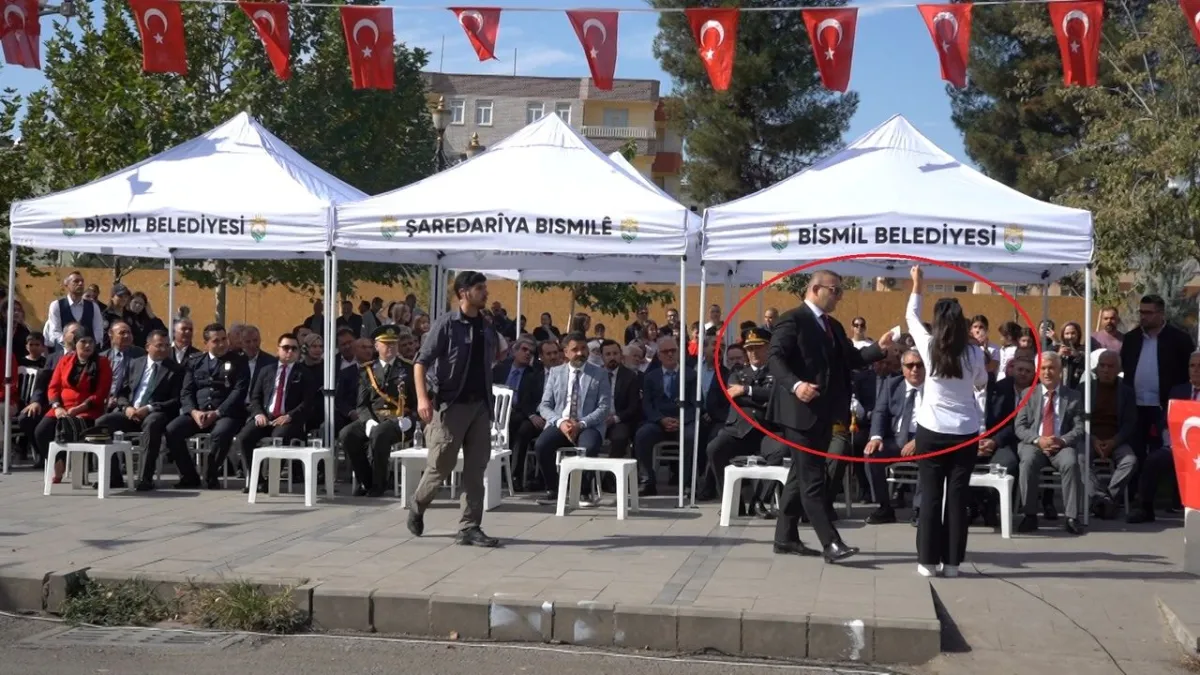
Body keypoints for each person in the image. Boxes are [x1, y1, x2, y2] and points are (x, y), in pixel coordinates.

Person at [767, 270, 890, 562]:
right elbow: (775, 357)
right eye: (835, 291)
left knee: (799, 477)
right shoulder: (793, 319)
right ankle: (831, 543)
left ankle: (785, 537)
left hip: (824, 413)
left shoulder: (832, 326)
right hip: (799, 413)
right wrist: (796, 385)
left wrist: (878, 349)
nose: (839, 297)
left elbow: (851, 359)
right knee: (812, 480)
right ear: (816, 288)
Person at [904, 266, 988, 577]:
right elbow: (981, 383)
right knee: (957, 498)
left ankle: (927, 562)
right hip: (965, 432)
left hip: (931, 431)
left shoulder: (928, 346)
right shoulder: (974, 353)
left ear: (938, 323)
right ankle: (952, 564)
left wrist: (918, 284)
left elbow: (911, 317)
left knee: (930, 496)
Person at [409, 271, 501, 547]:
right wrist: (423, 399)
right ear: (463, 293)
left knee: (476, 469)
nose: (485, 293)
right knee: (441, 465)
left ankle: (470, 527)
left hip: (480, 406)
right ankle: (418, 503)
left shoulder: (486, 325)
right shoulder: (447, 324)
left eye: (485, 287)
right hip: (451, 406)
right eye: (479, 288)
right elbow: (420, 362)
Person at [94, 329, 184, 491]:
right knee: (102, 423)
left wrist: (148, 408)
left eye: (166, 345)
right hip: (131, 412)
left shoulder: (175, 370)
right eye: (159, 346)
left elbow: (175, 401)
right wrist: (126, 407)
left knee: (152, 424)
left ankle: (145, 478)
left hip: (156, 413)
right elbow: (122, 392)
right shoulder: (135, 364)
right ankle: (113, 476)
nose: (163, 349)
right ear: (148, 346)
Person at [164, 323, 250, 490]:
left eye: (224, 339)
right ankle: (189, 475)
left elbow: (238, 391)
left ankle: (211, 474)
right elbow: (186, 392)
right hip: (199, 413)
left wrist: (217, 413)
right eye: (216, 341)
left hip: (226, 414)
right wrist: (194, 412)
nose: (221, 344)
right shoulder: (195, 361)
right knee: (172, 430)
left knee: (221, 433)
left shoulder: (239, 361)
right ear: (206, 343)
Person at [532, 332, 612, 506]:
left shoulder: (599, 374)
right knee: (541, 445)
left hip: (588, 424)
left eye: (583, 349)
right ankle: (553, 490)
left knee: (589, 446)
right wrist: (560, 422)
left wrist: (581, 423)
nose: (580, 353)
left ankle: (583, 492)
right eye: (575, 349)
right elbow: (544, 405)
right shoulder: (556, 372)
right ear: (565, 352)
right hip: (562, 422)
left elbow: (604, 407)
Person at [237, 333, 321, 494]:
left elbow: (308, 402)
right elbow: (255, 397)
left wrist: (290, 416)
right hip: (266, 417)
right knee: (244, 437)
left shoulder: (304, 374)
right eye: (285, 348)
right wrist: (258, 414)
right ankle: (256, 479)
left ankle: (271, 480)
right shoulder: (266, 370)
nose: (289, 352)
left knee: (279, 438)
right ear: (278, 349)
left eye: (293, 349)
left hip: (289, 420)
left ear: (298, 352)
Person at [338, 325, 416, 497]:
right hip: (374, 417)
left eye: (394, 344)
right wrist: (368, 421)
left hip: (401, 419)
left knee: (381, 433)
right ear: (376, 346)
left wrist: (411, 418)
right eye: (386, 344)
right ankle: (368, 480)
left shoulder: (409, 369)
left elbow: (417, 401)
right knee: (347, 434)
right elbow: (362, 404)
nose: (390, 347)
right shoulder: (367, 371)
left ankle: (378, 486)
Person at [702, 328, 776, 501]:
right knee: (714, 448)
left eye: (758, 347)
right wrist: (760, 396)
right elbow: (735, 399)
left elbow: (776, 395)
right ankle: (731, 499)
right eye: (750, 349)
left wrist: (746, 390)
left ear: (768, 348)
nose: (754, 352)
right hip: (739, 430)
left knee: (780, 453)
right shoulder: (737, 373)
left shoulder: (777, 373)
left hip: (767, 429)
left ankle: (761, 501)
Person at [1015, 351, 1085, 535]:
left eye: (1051, 368)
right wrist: (1039, 440)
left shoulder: (1074, 396)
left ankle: (1071, 517)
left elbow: (1079, 428)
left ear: (1060, 371)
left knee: (1071, 462)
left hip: (1061, 445)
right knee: (1027, 462)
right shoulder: (1027, 394)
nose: (1047, 372)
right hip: (1034, 444)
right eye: (1043, 369)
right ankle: (1030, 515)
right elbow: (1020, 427)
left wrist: (1061, 440)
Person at [36, 332, 112, 484]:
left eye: (91, 342)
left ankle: (77, 471)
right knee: (41, 431)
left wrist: (79, 408)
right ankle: (58, 463)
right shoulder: (65, 360)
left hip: (88, 410)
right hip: (62, 408)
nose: (88, 345)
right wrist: (57, 407)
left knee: (72, 429)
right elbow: (53, 386)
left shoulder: (102, 362)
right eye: (83, 341)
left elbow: (102, 392)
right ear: (75, 344)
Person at [863, 348, 926, 526]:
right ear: (902, 367)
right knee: (871, 454)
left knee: (930, 458)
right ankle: (884, 507)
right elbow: (879, 413)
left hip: (923, 439)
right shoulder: (892, 385)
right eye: (910, 365)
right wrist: (876, 437)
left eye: (919, 365)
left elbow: (938, 419)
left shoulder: (934, 389)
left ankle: (920, 509)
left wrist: (919, 440)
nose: (915, 369)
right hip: (896, 438)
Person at [1084, 349, 1138, 520]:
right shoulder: (1084, 389)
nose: (1106, 370)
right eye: (1102, 366)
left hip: (1116, 439)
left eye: (1110, 366)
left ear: (1118, 370)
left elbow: (1130, 422)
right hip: (1089, 438)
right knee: (1078, 459)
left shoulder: (1127, 392)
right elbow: (1077, 419)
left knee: (1130, 461)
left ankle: (1103, 498)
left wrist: (1114, 442)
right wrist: (1093, 440)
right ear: (1097, 368)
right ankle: (1103, 499)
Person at [492, 336, 542, 491]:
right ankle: (491, 474)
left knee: (523, 431)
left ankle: (515, 477)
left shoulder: (534, 375)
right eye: (524, 350)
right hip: (496, 414)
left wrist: (529, 414)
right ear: (515, 351)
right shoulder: (500, 369)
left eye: (531, 352)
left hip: (522, 415)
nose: (527, 354)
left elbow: (532, 401)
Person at [43, 271, 105, 353]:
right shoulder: (56, 305)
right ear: (67, 284)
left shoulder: (93, 307)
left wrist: (87, 345)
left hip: (88, 354)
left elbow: (98, 331)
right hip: (64, 354)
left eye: (82, 281)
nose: (80, 284)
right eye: (76, 281)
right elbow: (54, 332)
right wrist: (70, 345)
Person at [600, 339, 640, 460]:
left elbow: (633, 406)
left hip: (619, 420)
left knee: (620, 438)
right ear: (601, 357)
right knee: (586, 439)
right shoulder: (595, 375)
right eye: (608, 354)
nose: (612, 357)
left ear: (620, 355)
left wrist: (614, 418)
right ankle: (589, 475)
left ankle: (610, 475)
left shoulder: (630, 376)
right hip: (597, 420)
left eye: (615, 353)